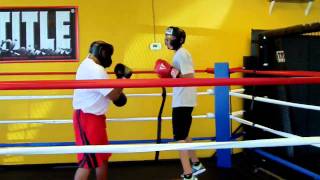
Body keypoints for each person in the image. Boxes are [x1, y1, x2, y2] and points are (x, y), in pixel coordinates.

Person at [72, 40, 130, 180]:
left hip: (96, 117)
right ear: (103, 53)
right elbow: (114, 95)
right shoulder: (95, 69)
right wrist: (123, 79)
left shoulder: (89, 64)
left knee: (102, 156)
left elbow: (111, 93)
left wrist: (118, 82)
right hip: (87, 118)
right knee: (87, 162)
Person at [155, 26, 206, 180]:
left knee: (180, 138)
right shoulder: (181, 53)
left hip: (182, 101)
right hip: (185, 99)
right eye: (167, 38)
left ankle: (188, 174)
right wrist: (172, 74)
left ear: (180, 40)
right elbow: (180, 77)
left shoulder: (182, 54)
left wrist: (173, 74)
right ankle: (196, 164)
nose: (168, 41)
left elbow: (189, 77)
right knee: (184, 133)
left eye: (171, 38)